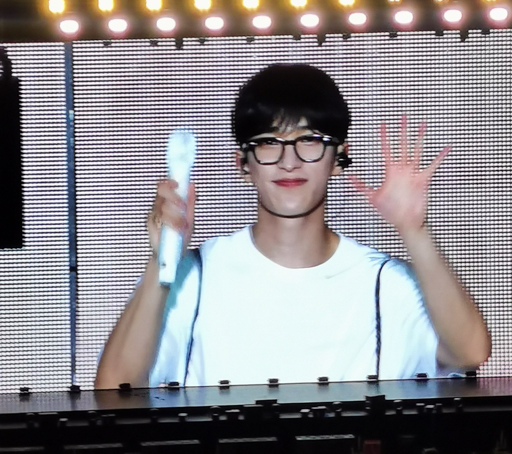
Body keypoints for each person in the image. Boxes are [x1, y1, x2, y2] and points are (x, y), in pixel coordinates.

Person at [95, 64, 491, 389]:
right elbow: (115, 387)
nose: (289, 161)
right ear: (243, 163)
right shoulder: (194, 277)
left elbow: (470, 352)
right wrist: (160, 262)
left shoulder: (384, 281)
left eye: (310, 140)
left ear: (339, 157)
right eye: (269, 142)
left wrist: (414, 231)